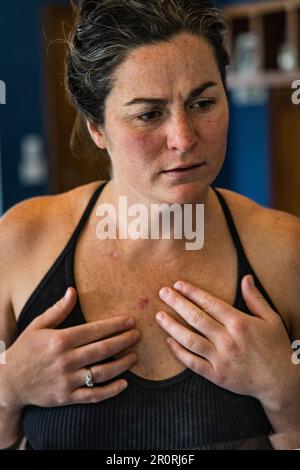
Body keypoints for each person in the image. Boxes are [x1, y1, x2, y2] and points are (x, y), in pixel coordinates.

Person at [0, 0, 300, 450]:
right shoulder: (22, 241)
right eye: (148, 114)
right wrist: (8, 391)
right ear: (96, 127)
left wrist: (288, 395)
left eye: (203, 102)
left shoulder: (285, 250)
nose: (183, 138)